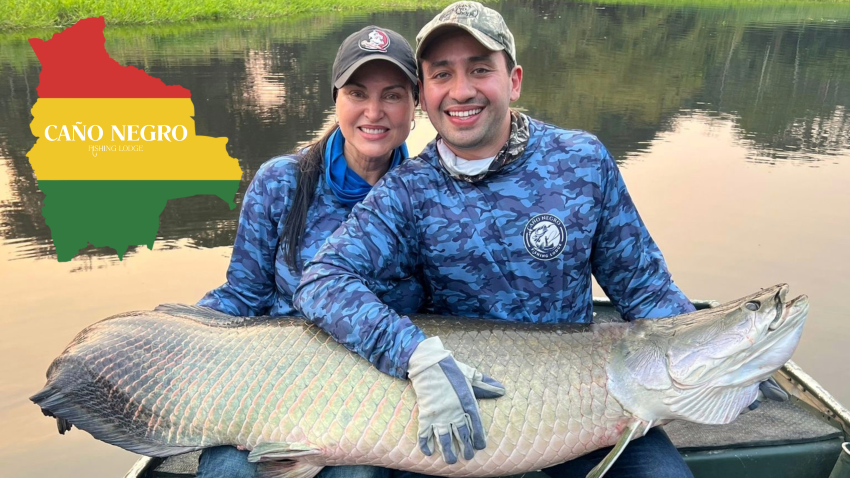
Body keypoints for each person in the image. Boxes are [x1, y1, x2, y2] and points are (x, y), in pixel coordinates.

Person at [294, 2, 696, 477]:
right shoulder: (406, 191)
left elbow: (647, 293)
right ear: (423, 94)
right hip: (458, 412)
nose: (461, 91)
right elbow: (322, 282)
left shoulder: (582, 161)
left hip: (586, 407)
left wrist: (717, 357)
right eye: (442, 74)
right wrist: (413, 354)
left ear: (514, 80)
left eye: (480, 69)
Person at [194, 25, 426, 478]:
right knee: (228, 472)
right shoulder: (280, 181)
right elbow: (242, 296)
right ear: (336, 98)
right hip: (271, 383)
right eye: (358, 92)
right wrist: (166, 339)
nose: (373, 111)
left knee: (354, 476)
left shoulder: (428, 196)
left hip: (373, 393)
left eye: (393, 95)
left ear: (414, 105)